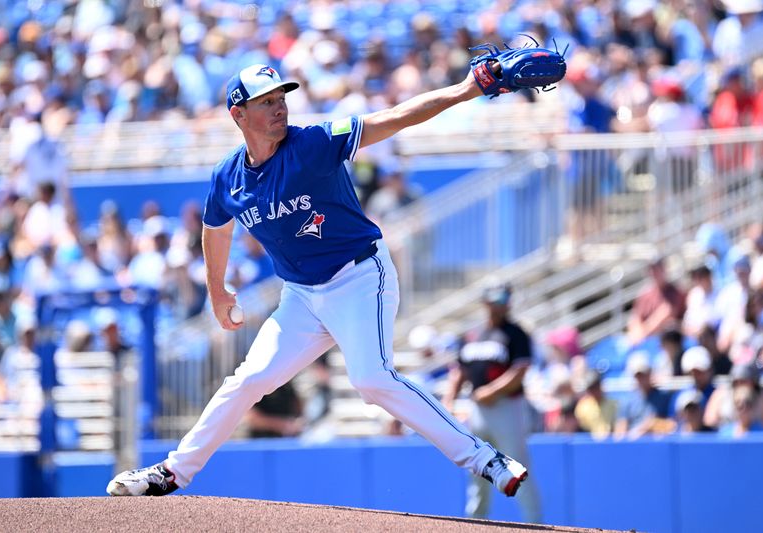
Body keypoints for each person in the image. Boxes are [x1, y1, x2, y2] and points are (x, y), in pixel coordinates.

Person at [108, 64, 529, 498]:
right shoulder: (228, 176)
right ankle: (174, 473)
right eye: (266, 101)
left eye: (281, 98)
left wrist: (463, 90)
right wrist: (216, 290)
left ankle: (485, 459)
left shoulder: (313, 142)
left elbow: (397, 117)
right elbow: (215, 229)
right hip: (302, 297)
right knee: (247, 380)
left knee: (371, 378)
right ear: (239, 115)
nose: (280, 107)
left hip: (360, 277)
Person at [442, 284, 542, 523]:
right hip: (478, 410)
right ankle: (475, 523)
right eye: (495, 299)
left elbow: (520, 370)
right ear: (486, 302)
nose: (500, 304)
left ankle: (535, 524)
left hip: (507, 407)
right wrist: (449, 399)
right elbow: (460, 371)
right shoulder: (473, 335)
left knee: (518, 467)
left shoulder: (516, 333)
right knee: (477, 468)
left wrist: (491, 390)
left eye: (504, 299)